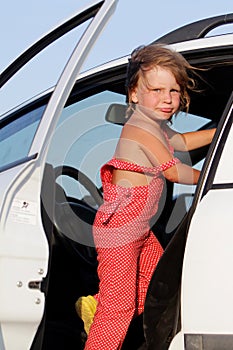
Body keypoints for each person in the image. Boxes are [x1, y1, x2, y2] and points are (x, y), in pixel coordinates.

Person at [75, 44, 216, 349]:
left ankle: (97, 306)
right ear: (134, 94)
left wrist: (220, 132)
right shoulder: (139, 128)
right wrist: (213, 177)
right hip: (121, 229)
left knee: (155, 290)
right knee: (119, 308)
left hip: (139, 229)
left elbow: (184, 140)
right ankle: (101, 318)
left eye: (174, 91)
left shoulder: (157, 128)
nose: (167, 99)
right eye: (156, 90)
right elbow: (175, 172)